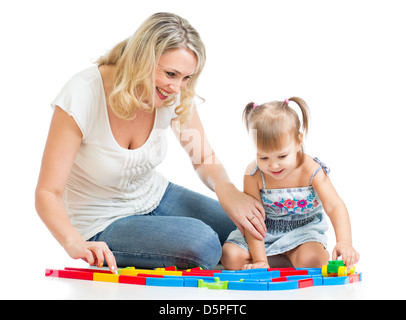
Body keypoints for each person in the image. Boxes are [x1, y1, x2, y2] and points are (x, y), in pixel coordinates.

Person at [35, 12, 266, 274]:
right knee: (204, 245)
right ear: (141, 59)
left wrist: (228, 191)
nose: (178, 88)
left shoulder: (174, 92)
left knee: (251, 229)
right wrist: (74, 242)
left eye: (186, 78)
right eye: (170, 73)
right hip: (103, 221)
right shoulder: (83, 94)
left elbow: (201, 156)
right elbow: (47, 192)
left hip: (157, 196)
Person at [221, 97, 360, 270]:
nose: (273, 165)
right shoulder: (254, 174)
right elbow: (253, 219)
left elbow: (334, 205)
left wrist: (344, 242)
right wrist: (260, 260)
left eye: (282, 156)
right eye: (263, 157)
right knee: (230, 257)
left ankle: (291, 260)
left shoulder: (312, 170)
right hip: (264, 232)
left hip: (303, 232)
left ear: (298, 141)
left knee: (313, 261)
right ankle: (274, 262)